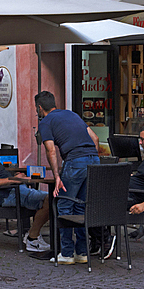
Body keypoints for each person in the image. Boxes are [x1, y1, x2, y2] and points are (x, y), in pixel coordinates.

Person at [36, 90, 100, 265]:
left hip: (74, 161)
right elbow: (94, 138)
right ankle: (82, 252)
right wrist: (92, 158)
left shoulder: (46, 122)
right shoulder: (72, 115)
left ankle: (66, 253)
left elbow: (50, 150)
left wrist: (57, 175)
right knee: (81, 207)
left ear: (39, 108)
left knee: (64, 205)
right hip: (93, 160)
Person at [0, 125, 51, 253]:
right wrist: (13, 180)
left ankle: (32, 235)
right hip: (6, 196)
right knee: (50, 199)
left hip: (13, 190)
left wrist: (14, 177)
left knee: (51, 199)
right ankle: (32, 238)